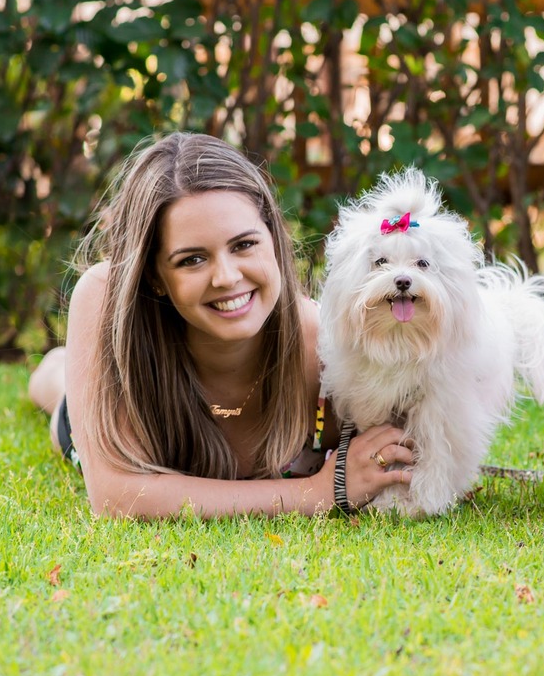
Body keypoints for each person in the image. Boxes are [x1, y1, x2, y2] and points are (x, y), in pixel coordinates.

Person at [27, 132, 413, 518]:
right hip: (92, 409)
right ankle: (60, 370)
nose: (226, 277)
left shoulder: (329, 349)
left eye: (244, 245)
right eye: (192, 259)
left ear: (273, 239)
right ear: (155, 276)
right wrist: (317, 491)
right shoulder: (106, 299)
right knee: (57, 389)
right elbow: (116, 497)